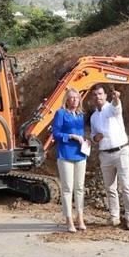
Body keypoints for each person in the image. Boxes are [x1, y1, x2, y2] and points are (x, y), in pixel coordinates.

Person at [89, 84, 129, 230]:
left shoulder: (111, 108)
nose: (98, 97)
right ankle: (114, 217)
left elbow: (117, 107)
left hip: (121, 151)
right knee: (110, 188)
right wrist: (95, 138)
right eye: (95, 94)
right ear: (92, 98)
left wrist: (116, 99)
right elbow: (92, 135)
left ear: (106, 95)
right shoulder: (93, 117)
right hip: (105, 155)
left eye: (101, 94)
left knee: (126, 185)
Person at [51, 87, 88, 232]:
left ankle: (80, 217)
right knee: (67, 188)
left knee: (79, 188)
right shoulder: (60, 113)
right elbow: (56, 134)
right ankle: (69, 219)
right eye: (71, 97)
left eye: (76, 97)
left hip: (80, 154)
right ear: (67, 99)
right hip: (65, 154)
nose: (74, 100)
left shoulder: (80, 115)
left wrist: (85, 141)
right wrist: (70, 136)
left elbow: (81, 133)